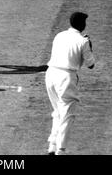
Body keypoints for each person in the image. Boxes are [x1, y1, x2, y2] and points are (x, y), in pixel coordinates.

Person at [45, 12, 95, 155]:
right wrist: (89, 46)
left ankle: (52, 146)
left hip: (51, 74)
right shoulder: (83, 41)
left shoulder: (59, 35)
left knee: (57, 112)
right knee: (67, 114)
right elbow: (91, 64)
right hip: (66, 78)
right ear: (82, 25)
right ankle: (61, 150)